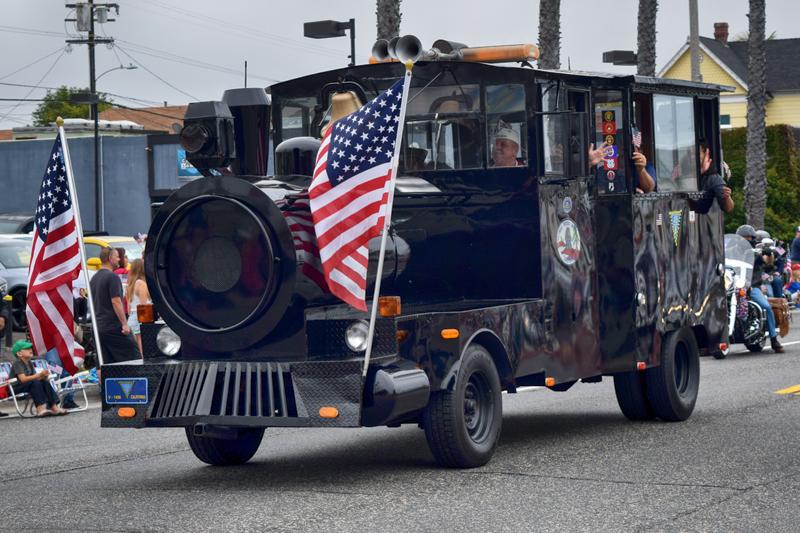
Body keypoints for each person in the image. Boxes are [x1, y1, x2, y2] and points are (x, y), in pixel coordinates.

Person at [736, 225, 784, 353]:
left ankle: (774, 339)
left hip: (752, 286)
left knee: (766, 306)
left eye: (749, 238)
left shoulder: (755, 252)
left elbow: (767, 262)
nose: (746, 240)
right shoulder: (732, 250)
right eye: (744, 238)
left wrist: (768, 254)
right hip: (734, 286)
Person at [90, 246, 141, 364]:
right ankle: (137, 382)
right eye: (117, 257)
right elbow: (116, 301)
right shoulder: (112, 277)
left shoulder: (94, 278)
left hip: (98, 328)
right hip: (113, 327)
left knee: (103, 363)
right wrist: (124, 324)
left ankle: (104, 383)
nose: (119, 259)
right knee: (135, 357)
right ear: (110, 258)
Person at [11, 340, 68, 417]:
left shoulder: (29, 362)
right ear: (19, 354)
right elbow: (23, 379)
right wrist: (39, 375)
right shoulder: (17, 363)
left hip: (28, 385)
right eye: (27, 349)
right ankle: (40, 408)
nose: (30, 350)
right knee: (35, 382)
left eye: (30, 348)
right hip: (15, 388)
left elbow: (35, 377)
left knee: (44, 382)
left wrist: (43, 377)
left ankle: (54, 406)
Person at [696, 141, 734, 213]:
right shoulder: (681, 172)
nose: (692, 156)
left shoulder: (714, 178)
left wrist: (727, 197)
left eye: (696, 153)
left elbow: (729, 208)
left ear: (705, 154)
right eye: (690, 153)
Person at [126, 258, 151, 355]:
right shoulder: (141, 284)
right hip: (140, 317)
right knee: (142, 347)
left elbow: (128, 308)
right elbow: (144, 305)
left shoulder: (130, 285)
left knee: (136, 349)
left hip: (132, 317)